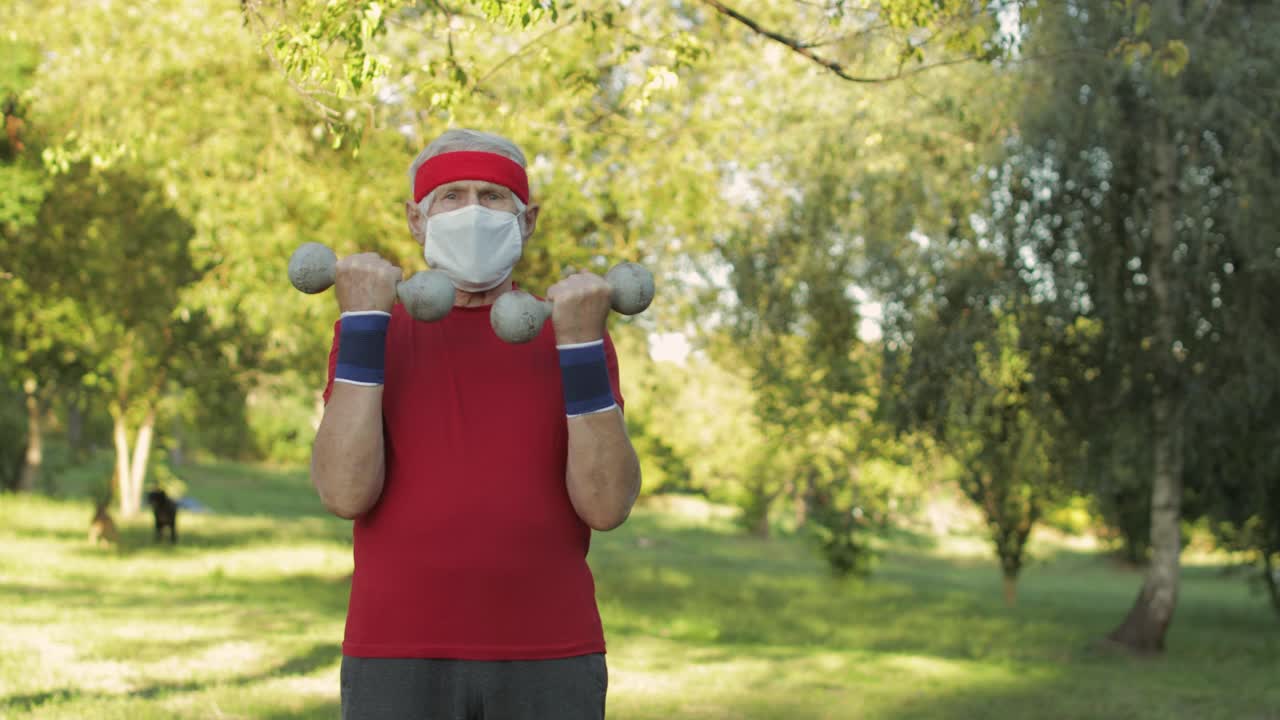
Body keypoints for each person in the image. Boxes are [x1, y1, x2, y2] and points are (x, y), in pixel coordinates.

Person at [310, 128, 642, 720]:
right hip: (395, 652)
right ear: (416, 220)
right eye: (450, 197)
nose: (471, 212)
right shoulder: (370, 330)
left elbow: (607, 506)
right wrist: (363, 323)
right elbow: (343, 492)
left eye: (492, 197)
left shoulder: (573, 333)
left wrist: (580, 346)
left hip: (551, 653)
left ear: (527, 219)